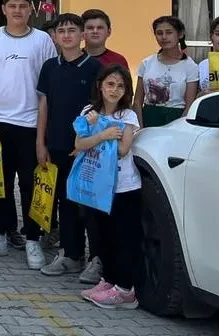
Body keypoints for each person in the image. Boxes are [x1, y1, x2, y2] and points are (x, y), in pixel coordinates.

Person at [0, 0, 57, 268]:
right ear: (3, 9)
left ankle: (33, 239)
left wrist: (43, 132)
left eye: (23, 5)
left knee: (31, 185)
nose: (17, 10)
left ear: (31, 9)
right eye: (12, 6)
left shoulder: (42, 40)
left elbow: (46, 91)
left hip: (31, 124)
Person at [35, 13, 102, 279]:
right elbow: (44, 105)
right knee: (65, 203)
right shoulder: (50, 67)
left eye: (72, 30)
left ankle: (97, 258)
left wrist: (87, 143)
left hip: (86, 148)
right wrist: (41, 142)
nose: (66, 35)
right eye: (61, 31)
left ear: (82, 35)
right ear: (55, 36)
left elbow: (100, 109)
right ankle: (70, 254)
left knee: (90, 206)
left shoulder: (95, 68)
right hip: (58, 144)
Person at [76, 64, 143, 309]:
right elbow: (79, 144)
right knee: (102, 236)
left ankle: (126, 290)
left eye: (120, 86)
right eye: (110, 84)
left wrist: (98, 133)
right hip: (97, 186)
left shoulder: (128, 116)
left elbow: (124, 150)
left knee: (122, 238)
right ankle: (109, 280)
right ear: (100, 85)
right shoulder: (89, 111)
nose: (114, 90)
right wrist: (102, 134)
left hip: (123, 188)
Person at [134, 15, 200, 125]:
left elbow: (190, 105)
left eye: (169, 32)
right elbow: (137, 101)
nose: (164, 37)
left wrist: (179, 128)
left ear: (180, 34)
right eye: (159, 33)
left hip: (177, 119)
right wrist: (139, 127)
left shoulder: (190, 66)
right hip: (149, 117)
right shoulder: (147, 63)